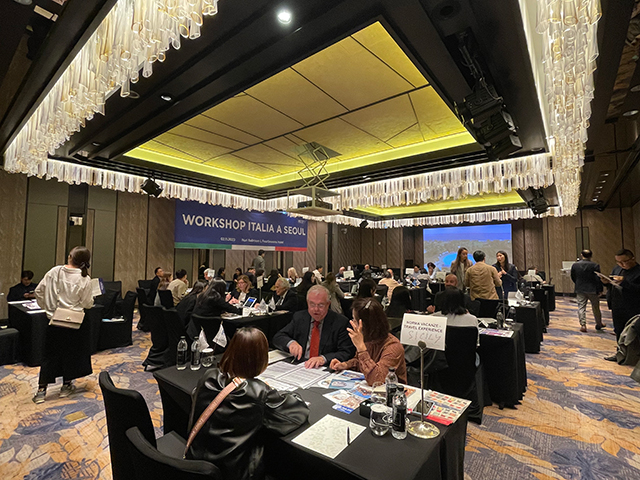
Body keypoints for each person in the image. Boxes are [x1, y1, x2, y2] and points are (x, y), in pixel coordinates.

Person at [187, 327, 309, 480]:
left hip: (196, 464)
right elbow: (297, 414)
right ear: (261, 359)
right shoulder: (259, 392)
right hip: (236, 473)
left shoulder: (209, 376)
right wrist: (283, 394)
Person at [32, 246, 95, 404]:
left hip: (54, 321)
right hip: (75, 323)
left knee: (49, 355)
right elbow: (87, 303)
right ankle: (66, 386)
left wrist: (48, 308)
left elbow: (38, 292)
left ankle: (41, 391)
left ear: (70, 257)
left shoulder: (55, 272)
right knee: (70, 354)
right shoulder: (85, 279)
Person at [273, 285, 355, 368]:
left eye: (321, 305)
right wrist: (291, 343)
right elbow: (278, 337)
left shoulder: (340, 322)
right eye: (312, 304)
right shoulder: (300, 317)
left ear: (328, 304)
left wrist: (323, 358)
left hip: (324, 368)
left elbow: (346, 352)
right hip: (301, 365)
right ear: (307, 303)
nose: (316, 309)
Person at [330, 297, 407, 385]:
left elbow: (377, 380)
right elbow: (359, 362)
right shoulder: (368, 338)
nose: (352, 323)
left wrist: (361, 348)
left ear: (366, 325)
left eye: (355, 320)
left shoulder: (393, 346)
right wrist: (345, 365)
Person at [601, 249, 640, 361]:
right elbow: (613, 285)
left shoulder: (638, 271)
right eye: (618, 262)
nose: (621, 264)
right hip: (617, 305)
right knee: (618, 330)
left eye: (624, 262)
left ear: (632, 259)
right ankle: (620, 354)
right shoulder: (617, 269)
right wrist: (606, 282)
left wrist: (624, 282)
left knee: (633, 332)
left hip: (633, 306)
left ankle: (635, 355)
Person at [570, 249, 604, 333]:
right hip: (592, 289)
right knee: (596, 307)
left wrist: (578, 284)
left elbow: (573, 276)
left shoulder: (575, 265)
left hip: (580, 288)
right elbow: (598, 278)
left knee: (581, 307)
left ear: (581, 255)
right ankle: (599, 323)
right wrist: (600, 289)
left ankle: (583, 325)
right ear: (591, 256)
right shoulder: (595, 265)